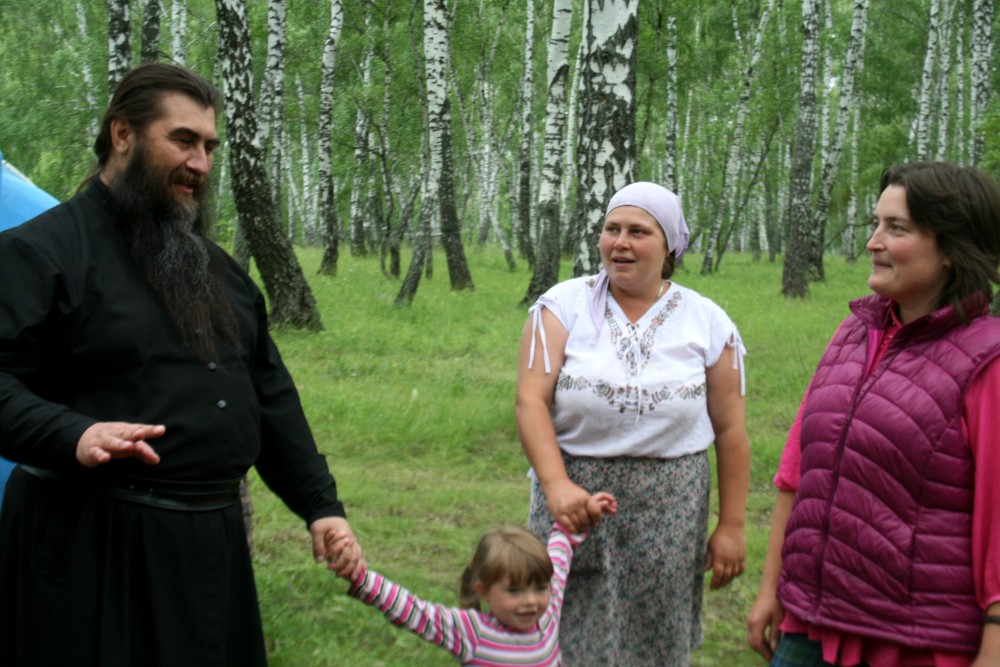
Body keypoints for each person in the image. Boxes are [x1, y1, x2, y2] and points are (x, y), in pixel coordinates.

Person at [0, 63, 362, 667]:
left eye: (209, 147)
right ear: (122, 135)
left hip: (207, 547)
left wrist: (320, 506)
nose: (201, 163)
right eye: (183, 140)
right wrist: (74, 433)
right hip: (88, 547)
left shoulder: (220, 272)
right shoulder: (39, 254)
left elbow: (269, 396)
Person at [746, 161, 1000, 667]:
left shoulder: (987, 360)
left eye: (896, 228)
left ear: (952, 248)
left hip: (914, 644)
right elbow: (798, 469)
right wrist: (772, 586)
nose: (873, 242)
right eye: (875, 224)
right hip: (811, 626)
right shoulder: (855, 333)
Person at [516, 181, 751, 665]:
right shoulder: (562, 306)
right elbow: (530, 401)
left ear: (669, 246)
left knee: (653, 638)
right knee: (559, 630)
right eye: (612, 229)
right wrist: (556, 485)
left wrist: (731, 525)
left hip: (669, 511)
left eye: (638, 232)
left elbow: (731, 432)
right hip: (573, 503)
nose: (620, 243)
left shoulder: (708, 322)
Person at [324, 491, 616, 666]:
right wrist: (362, 578)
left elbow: (560, 553)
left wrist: (585, 514)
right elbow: (414, 612)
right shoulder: (473, 633)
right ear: (484, 590)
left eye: (540, 588)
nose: (531, 601)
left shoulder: (548, 613)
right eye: (514, 591)